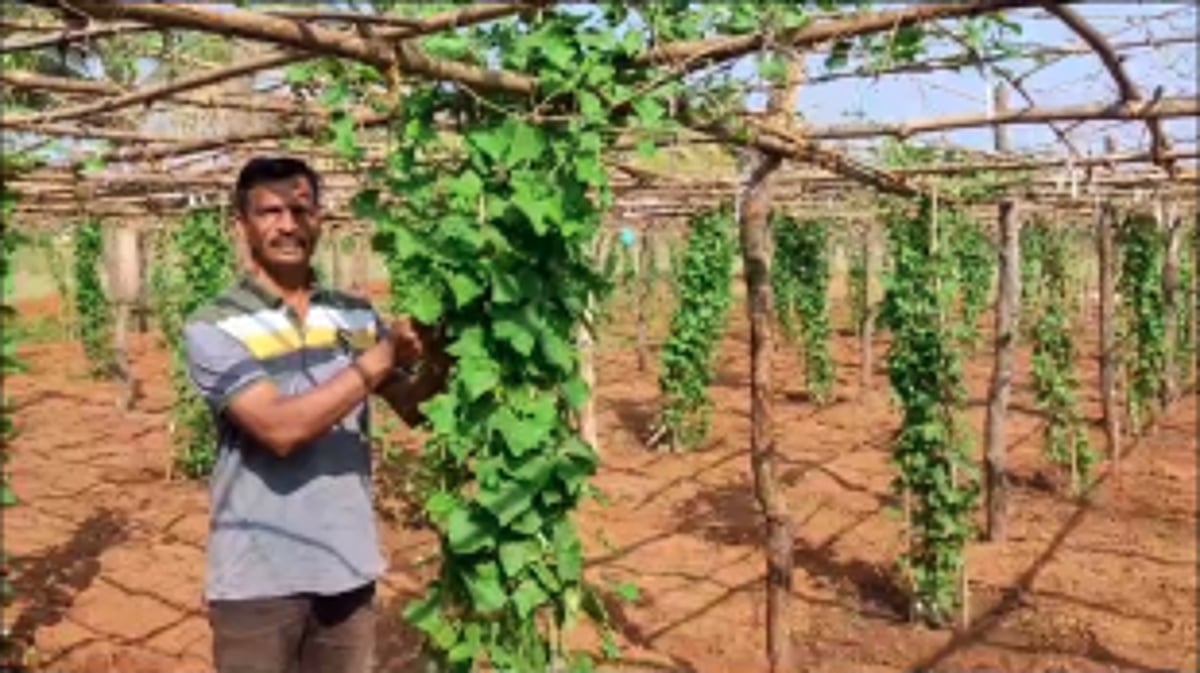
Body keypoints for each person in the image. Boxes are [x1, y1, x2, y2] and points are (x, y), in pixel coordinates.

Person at [182, 156, 449, 673]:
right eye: (270, 212)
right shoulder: (215, 325)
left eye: (301, 210)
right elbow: (281, 429)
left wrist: (439, 359)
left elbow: (414, 408)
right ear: (241, 225)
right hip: (255, 578)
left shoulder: (354, 314)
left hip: (347, 566)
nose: (287, 225)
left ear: (320, 220)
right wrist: (384, 356)